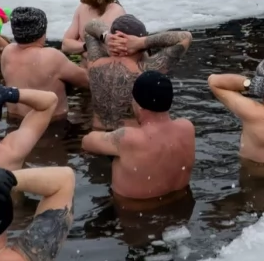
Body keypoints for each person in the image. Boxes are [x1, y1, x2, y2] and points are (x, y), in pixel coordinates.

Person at [81, 69, 194, 200]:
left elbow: (87, 142)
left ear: (138, 105)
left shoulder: (128, 138)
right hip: (180, 207)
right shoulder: (187, 128)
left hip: (131, 214)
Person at [82, 14, 192, 130]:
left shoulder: (94, 63)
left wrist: (106, 37)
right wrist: (141, 42)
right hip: (129, 141)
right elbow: (186, 37)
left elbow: (90, 26)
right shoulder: (146, 71)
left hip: (98, 136)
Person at [1, 8, 89, 119]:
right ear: (43, 31)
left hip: (14, 123)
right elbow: (88, 81)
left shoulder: (7, 52)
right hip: (50, 125)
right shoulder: (51, 56)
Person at [61, 0, 127, 58]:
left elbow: (110, 49)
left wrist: (79, 46)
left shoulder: (116, 12)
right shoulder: (83, 8)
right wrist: (86, 46)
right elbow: (65, 45)